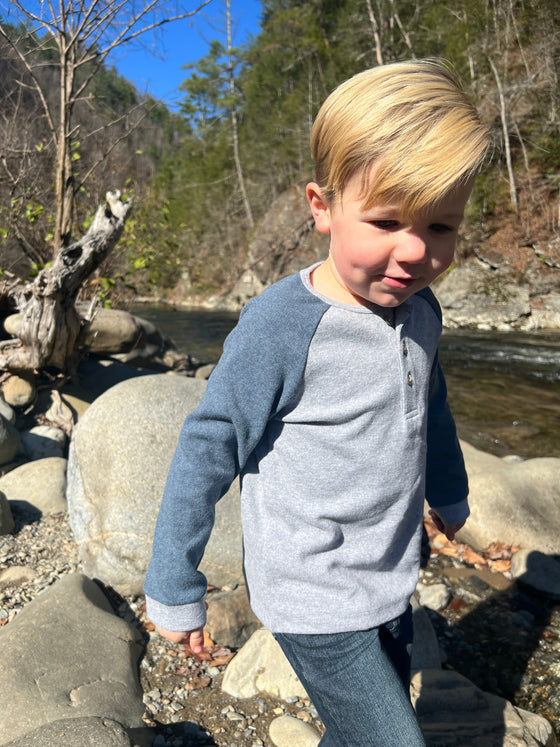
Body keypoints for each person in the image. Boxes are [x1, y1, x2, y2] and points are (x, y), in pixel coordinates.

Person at [144, 59, 491, 746]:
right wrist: (172, 579)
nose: (415, 252)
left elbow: (434, 409)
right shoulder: (283, 325)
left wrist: (450, 494)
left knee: (357, 727)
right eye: (387, 220)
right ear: (322, 208)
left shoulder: (423, 313)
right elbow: (210, 444)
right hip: (313, 588)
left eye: (442, 227)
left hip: (390, 569)